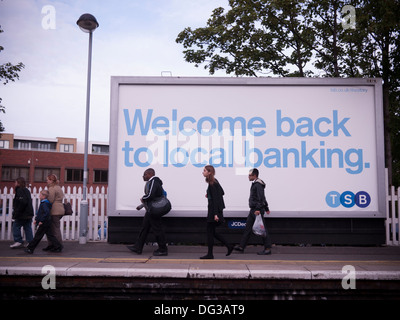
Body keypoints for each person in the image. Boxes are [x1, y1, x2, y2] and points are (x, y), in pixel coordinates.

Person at [127, 168, 168, 256]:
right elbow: (153, 197)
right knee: (144, 228)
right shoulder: (153, 182)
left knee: (157, 229)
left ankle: (163, 249)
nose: (143, 177)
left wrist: (143, 198)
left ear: (150, 174)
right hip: (151, 210)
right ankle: (138, 247)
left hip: (153, 210)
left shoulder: (154, 181)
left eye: (145, 175)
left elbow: (150, 195)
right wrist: (141, 205)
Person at [234, 168, 272, 255]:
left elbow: (261, 197)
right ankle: (241, 247)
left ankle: (267, 248)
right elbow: (263, 197)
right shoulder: (255, 184)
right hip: (253, 210)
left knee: (262, 230)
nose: (248, 176)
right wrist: (266, 208)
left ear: (254, 175)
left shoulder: (258, 184)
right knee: (247, 228)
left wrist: (259, 209)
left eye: (250, 175)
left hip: (256, 210)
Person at [200, 165, 233, 259]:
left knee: (210, 232)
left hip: (213, 211)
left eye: (204, 170)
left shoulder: (212, 183)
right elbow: (222, 192)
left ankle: (210, 254)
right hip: (214, 210)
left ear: (209, 172)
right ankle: (228, 246)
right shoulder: (214, 181)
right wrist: (209, 194)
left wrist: (215, 214)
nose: (203, 172)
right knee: (211, 232)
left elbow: (215, 199)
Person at [10, 177, 34, 248]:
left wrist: (17, 212)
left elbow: (22, 202)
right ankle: (30, 241)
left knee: (16, 226)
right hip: (29, 213)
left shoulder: (19, 190)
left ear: (18, 183)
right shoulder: (27, 190)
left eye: (15, 182)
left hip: (22, 214)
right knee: (27, 227)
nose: (15, 184)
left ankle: (18, 241)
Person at [43, 174, 64, 252]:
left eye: (48, 179)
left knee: (54, 229)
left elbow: (50, 200)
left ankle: (57, 245)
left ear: (51, 180)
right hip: (60, 209)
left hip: (54, 211)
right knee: (54, 228)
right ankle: (53, 245)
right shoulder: (58, 187)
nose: (47, 181)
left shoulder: (52, 188)